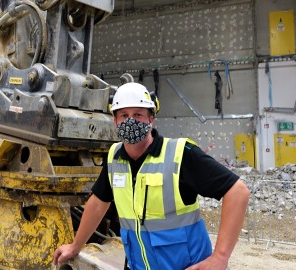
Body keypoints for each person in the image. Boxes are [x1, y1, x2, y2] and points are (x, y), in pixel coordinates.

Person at [53, 82, 250, 270]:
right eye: (123, 115)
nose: (130, 121)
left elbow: (237, 192)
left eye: (138, 114)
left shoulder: (180, 154)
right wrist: (75, 246)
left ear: (151, 119)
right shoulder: (114, 157)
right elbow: (98, 203)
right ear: (115, 120)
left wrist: (220, 257)